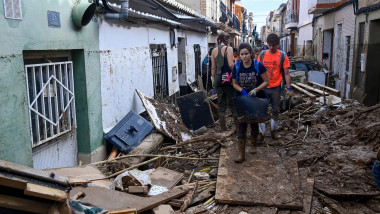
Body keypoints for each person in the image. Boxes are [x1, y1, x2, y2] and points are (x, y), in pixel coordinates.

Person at [232, 43, 270, 163]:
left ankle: (253, 144)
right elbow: (234, 83)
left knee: (254, 122)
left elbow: (267, 81)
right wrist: (242, 90)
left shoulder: (258, 65)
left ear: (251, 54)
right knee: (242, 124)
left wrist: (256, 89)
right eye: (242, 54)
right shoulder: (237, 66)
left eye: (246, 54)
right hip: (242, 99)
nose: (244, 56)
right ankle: (241, 154)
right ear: (239, 55)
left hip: (256, 97)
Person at [257, 33, 292, 140]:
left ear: (278, 44)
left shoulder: (282, 56)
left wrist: (289, 88)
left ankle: (273, 131)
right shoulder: (262, 55)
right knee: (261, 110)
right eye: (270, 45)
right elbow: (257, 70)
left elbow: (286, 73)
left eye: (274, 45)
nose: (272, 47)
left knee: (275, 110)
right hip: (263, 87)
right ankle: (261, 133)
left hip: (276, 87)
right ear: (267, 44)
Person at [211, 32, 238, 131]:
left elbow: (213, 67)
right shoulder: (229, 49)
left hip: (218, 79)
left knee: (221, 104)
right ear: (227, 40)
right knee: (233, 103)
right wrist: (237, 73)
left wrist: (213, 79)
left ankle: (223, 128)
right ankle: (237, 128)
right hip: (228, 79)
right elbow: (231, 65)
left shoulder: (213, 51)